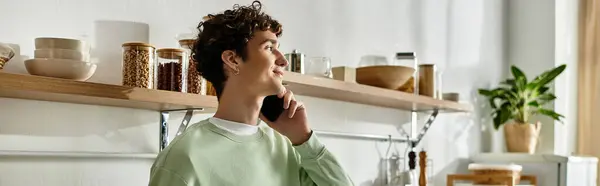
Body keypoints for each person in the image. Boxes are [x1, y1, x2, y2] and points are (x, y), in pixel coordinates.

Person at [147, 1, 354, 186]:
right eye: (269, 47)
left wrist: (305, 140)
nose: (283, 61)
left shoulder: (289, 147)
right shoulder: (183, 158)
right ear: (233, 59)